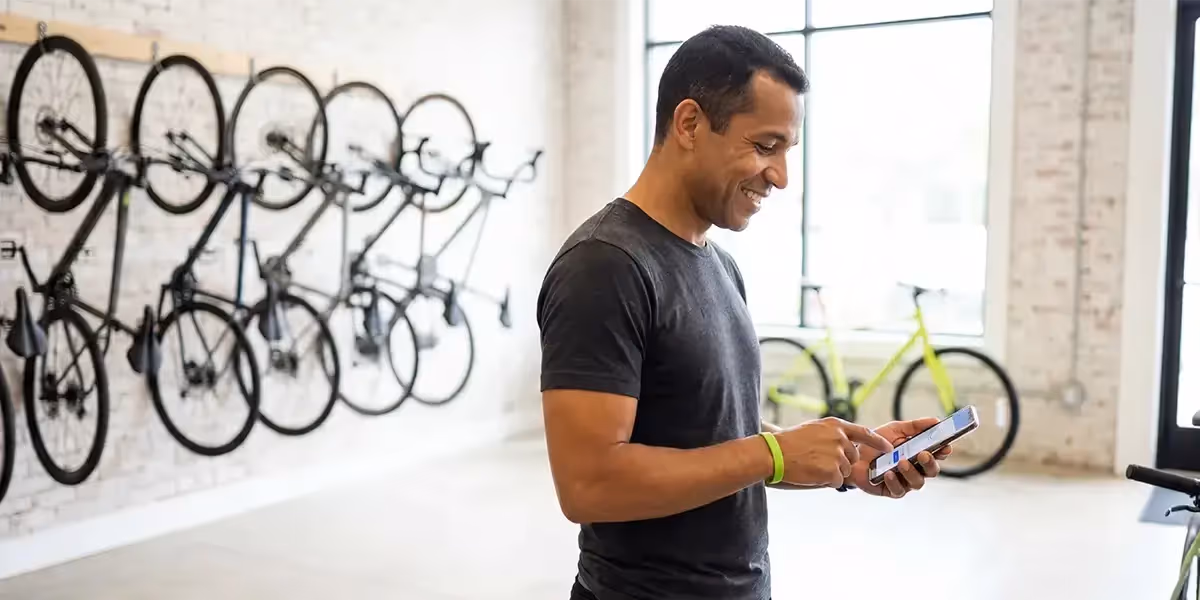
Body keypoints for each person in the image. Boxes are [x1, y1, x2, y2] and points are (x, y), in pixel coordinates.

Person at [536, 25, 952, 600]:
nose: (780, 176)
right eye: (764, 146)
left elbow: (714, 435)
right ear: (689, 124)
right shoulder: (604, 266)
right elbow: (589, 484)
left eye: (786, 151)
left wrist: (846, 459)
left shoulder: (721, 265)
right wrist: (773, 454)